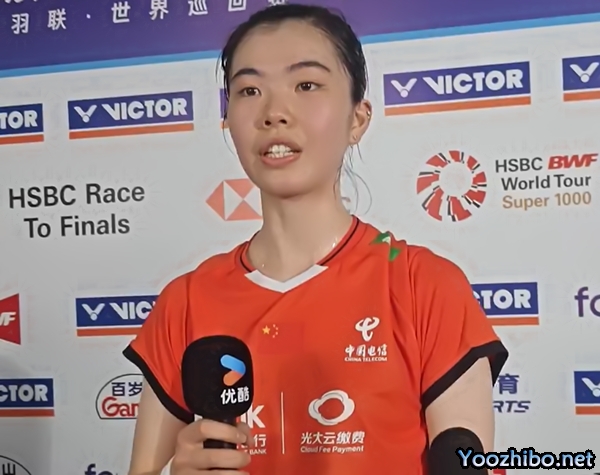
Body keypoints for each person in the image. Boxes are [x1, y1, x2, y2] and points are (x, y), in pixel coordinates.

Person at [123, 4, 508, 475]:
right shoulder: (185, 303)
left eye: (306, 85)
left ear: (357, 118)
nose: (274, 113)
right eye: (249, 90)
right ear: (228, 121)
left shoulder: (424, 286)